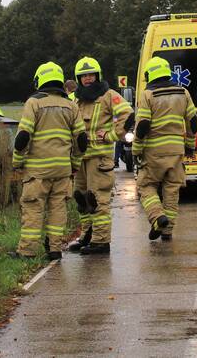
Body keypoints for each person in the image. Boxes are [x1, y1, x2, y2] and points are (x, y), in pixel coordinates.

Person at [11, 62, 87, 260]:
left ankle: (27, 251)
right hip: (62, 170)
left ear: (40, 80)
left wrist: (17, 162)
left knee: (33, 209)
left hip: (37, 171)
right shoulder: (71, 105)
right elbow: (81, 140)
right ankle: (54, 249)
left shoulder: (34, 103)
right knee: (57, 210)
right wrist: (75, 165)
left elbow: (23, 137)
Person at [70, 56, 132, 256]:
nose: (87, 79)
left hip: (100, 159)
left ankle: (101, 241)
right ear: (78, 79)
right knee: (81, 199)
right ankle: (86, 236)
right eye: (83, 76)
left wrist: (112, 135)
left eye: (91, 75)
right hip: (80, 158)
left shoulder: (109, 95)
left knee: (97, 199)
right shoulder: (74, 99)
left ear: (97, 76)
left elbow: (128, 115)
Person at [133, 56, 197, 241]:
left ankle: (157, 216)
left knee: (146, 186)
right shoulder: (183, 92)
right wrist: (190, 145)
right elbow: (193, 121)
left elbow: (143, 125)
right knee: (172, 190)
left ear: (150, 75)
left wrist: (136, 149)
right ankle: (167, 230)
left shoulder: (148, 95)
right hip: (176, 150)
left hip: (153, 151)